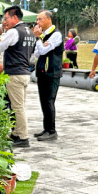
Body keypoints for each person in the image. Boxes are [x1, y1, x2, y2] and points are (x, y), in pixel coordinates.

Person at [0, 6, 36, 147]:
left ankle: (23, 138)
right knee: (20, 105)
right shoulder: (30, 32)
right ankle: (16, 133)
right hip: (25, 72)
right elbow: (33, 53)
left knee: (17, 107)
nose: (5, 21)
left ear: (14, 17)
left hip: (14, 74)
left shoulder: (14, 32)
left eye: (6, 18)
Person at [30, 10, 63, 141]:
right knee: (43, 102)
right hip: (42, 72)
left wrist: (39, 39)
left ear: (49, 19)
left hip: (52, 72)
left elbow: (43, 50)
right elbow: (38, 53)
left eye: (40, 19)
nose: (38, 23)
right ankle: (46, 128)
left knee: (49, 101)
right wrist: (40, 41)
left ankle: (51, 130)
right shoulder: (44, 35)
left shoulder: (56, 35)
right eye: (37, 20)